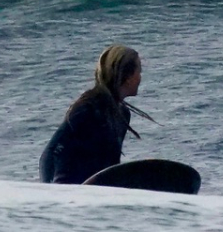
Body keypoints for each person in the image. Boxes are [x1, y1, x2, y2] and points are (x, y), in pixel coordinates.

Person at [39, 44, 154, 184]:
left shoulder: (122, 114)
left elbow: (110, 166)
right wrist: (51, 190)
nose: (140, 78)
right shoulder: (88, 108)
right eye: (139, 72)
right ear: (128, 76)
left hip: (96, 191)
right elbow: (49, 154)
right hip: (71, 188)